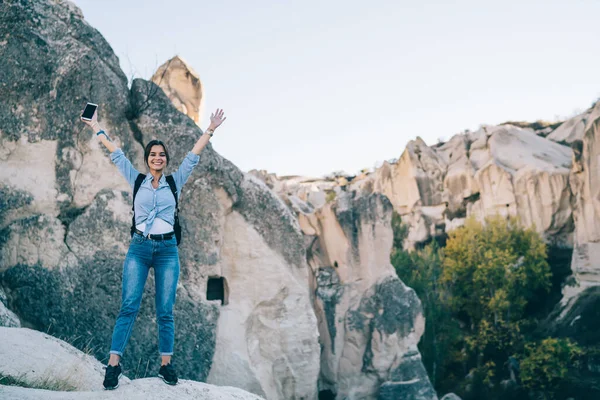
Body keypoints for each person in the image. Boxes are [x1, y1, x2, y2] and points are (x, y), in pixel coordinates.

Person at [81, 106, 226, 390]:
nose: (157, 157)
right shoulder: (137, 180)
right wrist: (95, 125)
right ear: (147, 160)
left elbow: (193, 156)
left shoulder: (175, 181)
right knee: (129, 306)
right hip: (139, 248)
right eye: (152, 154)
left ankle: (165, 365)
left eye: (161, 154)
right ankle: (113, 365)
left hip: (167, 251)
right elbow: (115, 152)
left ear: (165, 160)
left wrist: (210, 129)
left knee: (165, 310)